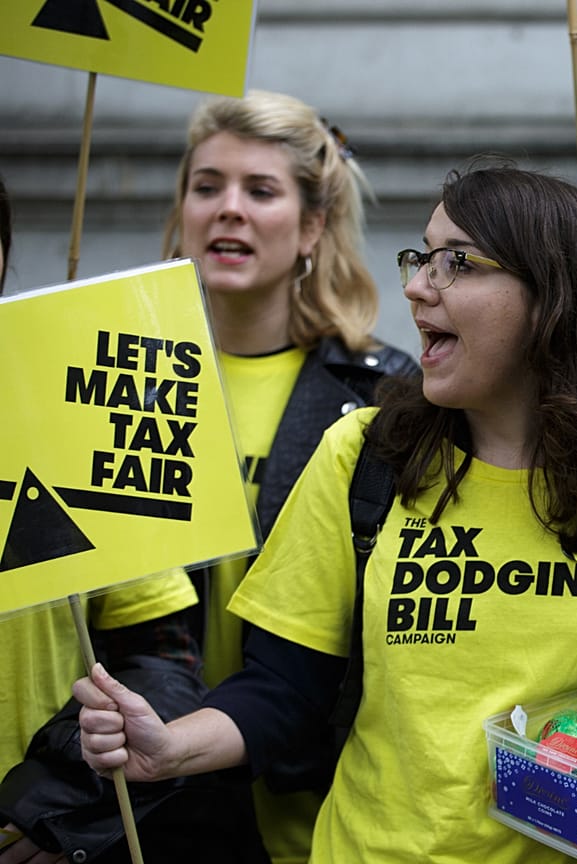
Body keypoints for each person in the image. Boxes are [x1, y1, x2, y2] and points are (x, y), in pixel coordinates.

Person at [74, 164, 577, 863]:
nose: (413, 286)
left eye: (456, 263)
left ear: (556, 297)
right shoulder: (363, 457)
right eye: (420, 257)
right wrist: (170, 747)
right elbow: (285, 689)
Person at [0, 90, 418, 864]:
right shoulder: (98, 376)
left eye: (260, 191)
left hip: (311, 801)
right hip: (137, 807)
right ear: (181, 210)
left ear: (312, 227)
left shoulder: (385, 398)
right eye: (207, 187)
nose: (228, 209)